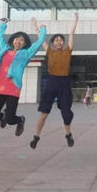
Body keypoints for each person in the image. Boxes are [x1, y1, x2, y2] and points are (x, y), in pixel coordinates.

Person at [0, 17, 46, 137]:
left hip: (13, 88)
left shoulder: (26, 53)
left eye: (21, 40)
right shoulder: (5, 50)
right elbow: (0, 36)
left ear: (25, 43)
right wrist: (3, 24)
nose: (18, 42)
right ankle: (3, 116)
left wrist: (43, 30)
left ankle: (20, 120)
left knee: (10, 120)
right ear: (12, 40)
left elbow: (40, 41)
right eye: (16, 39)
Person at [30, 12, 79, 150]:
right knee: (44, 112)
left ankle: (68, 134)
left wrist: (76, 20)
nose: (59, 42)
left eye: (61, 40)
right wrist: (35, 26)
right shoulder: (50, 51)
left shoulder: (68, 51)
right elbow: (41, 40)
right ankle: (36, 136)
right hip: (52, 81)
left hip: (64, 82)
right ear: (52, 43)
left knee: (66, 113)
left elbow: (71, 33)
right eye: (56, 40)